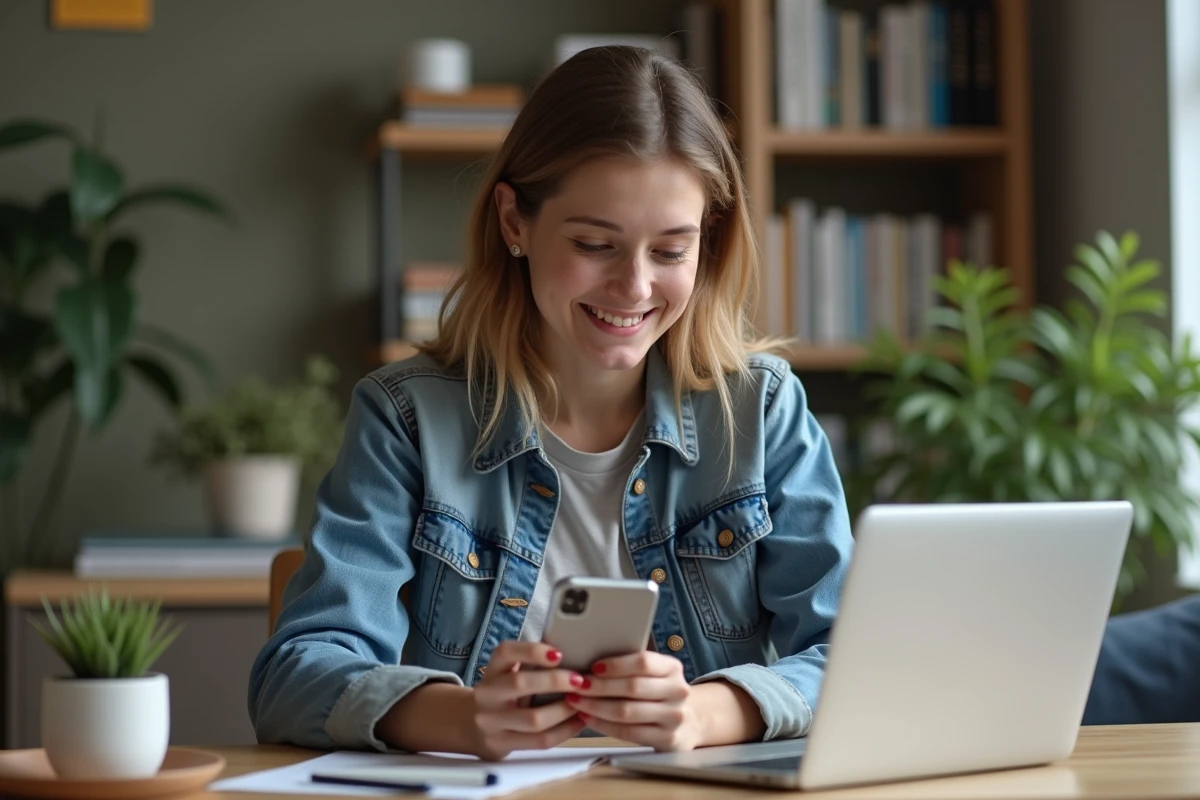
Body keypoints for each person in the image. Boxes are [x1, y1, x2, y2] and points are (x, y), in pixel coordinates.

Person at [248, 45, 853, 760]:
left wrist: (705, 713)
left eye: (670, 251)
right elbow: (295, 675)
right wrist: (464, 718)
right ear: (514, 222)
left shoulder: (758, 408)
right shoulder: (406, 418)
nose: (633, 287)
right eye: (596, 244)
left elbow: (853, 658)